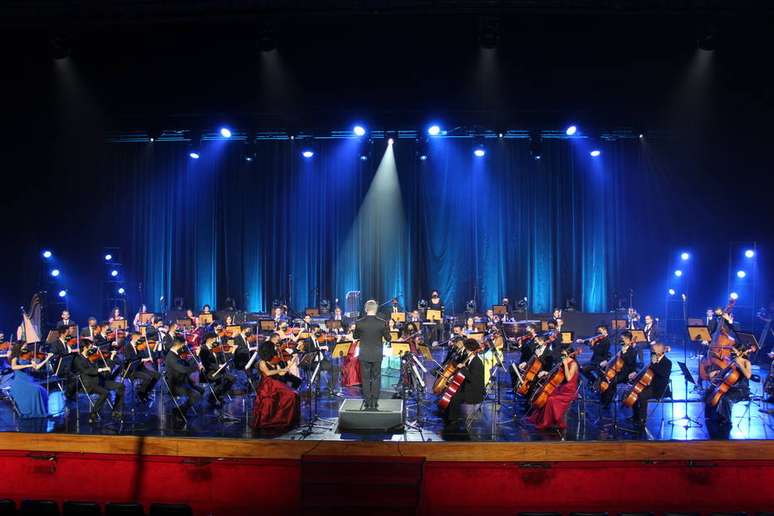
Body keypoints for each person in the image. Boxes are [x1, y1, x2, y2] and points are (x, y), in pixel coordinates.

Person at [250, 340, 300, 432]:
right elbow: (268, 373)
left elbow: (281, 374)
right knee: (286, 396)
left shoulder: (274, 361)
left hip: (276, 384)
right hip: (267, 385)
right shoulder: (262, 362)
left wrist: (290, 364)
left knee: (293, 395)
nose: (275, 350)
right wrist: (280, 370)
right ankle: (277, 420)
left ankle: (287, 419)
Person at [528, 347, 579, 432]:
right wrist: (547, 373)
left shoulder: (573, 364)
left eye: (564, 355)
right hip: (562, 387)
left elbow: (569, 378)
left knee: (551, 399)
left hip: (569, 390)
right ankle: (542, 420)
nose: (562, 357)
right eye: (562, 355)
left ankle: (548, 422)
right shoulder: (564, 361)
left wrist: (565, 365)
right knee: (547, 397)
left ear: (570, 355)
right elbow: (556, 374)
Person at [73, 341, 124, 423]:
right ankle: (93, 413)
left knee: (121, 386)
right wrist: (100, 369)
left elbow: (107, 369)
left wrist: (111, 358)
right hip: (89, 384)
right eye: (91, 347)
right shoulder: (78, 359)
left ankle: (115, 410)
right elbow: (86, 371)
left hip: (100, 381)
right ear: (85, 348)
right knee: (105, 392)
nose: (92, 349)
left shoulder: (93, 356)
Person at [353, 300, 391, 410]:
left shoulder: (359, 322)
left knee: (365, 378)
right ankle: (375, 401)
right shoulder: (382, 323)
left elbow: (355, 337)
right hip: (377, 354)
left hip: (364, 354)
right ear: (376, 309)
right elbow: (388, 338)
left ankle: (367, 401)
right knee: (376, 377)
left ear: (366, 309)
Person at [706, 345, 753, 424]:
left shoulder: (746, 362)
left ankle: (726, 421)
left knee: (725, 398)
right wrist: (717, 374)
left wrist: (739, 364)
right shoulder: (733, 362)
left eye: (733, 351)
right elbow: (724, 373)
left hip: (741, 390)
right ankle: (712, 416)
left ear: (740, 352)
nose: (731, 353)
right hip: (731, 388)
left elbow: (748, 376)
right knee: (711, 391)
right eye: (731, 351)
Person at [630, 342, 672, 428]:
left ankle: (642, 419)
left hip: (659, 388)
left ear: (661, 351)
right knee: (635, 391)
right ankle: (636, 416)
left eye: (655, 350)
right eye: (653, 350)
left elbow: (662, 374)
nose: (653, 351)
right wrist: (636, 374)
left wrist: (652, 365)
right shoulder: (654, 358)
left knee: (642, 395)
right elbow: (648, 370)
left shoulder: (668, 362)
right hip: (652, 385)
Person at [443, 338, 485, 425]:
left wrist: (463, 368)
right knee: (453, 392)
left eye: (466, 348)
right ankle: (448, 415)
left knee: (454, 396)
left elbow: (472, 379)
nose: (465, 350)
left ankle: (453, 419)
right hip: (470, 387)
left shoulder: (477, 362)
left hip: (474, 392)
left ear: (469, 349)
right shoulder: (471, 359)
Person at [165, 336, 204, 423]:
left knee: (201, 390)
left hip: (183, 381)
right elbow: (183, 370)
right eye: (183, 346)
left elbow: (186, 364)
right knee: (196, 395)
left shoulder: (176, 354)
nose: (184, 348)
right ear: (179, 345)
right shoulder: (171, 357)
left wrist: (195, 355)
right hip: (175, 385)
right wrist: (196, 367)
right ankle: (178, 411)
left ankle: (182, 410)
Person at [8, 342, 49, 418]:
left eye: (26, 347)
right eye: (24, 347)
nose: (26, 348)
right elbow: (13, 367)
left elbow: (37, 367)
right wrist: (28, 365)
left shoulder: (27, 356)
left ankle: (42, 411)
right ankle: (33, 411)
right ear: (19, 347)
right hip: (19, 381)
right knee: (36, 390)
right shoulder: (15, 357)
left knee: (43, 391)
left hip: (27, 380)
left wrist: (47, 359)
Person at [600, 331, 639, 408]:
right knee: (603, 378)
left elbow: (629, 362)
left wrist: (622, 353)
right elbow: (616, 360)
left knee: (612, 382)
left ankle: (606, 403)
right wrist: (608, 362)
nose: (621, 340)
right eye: (621, 338)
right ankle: (603, 400)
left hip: (627, 373)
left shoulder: (632, 350)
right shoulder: (621, 349)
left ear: (628, 339)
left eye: (622, 339)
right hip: (618, 371)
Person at [199, 334, 236, 408]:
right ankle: (212, 397)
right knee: (221, 380)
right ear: (209, 340)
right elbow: (207, 364)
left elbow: (220, 357)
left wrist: (224, 364)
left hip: (218, 370)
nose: (216, 341)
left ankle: (218, 395)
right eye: (214, 339)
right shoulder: (203, 349)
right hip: (209, 372)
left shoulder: (215, 346)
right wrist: (218, 366)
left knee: (232, 379)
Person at [124, 334, 160, 403]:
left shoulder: (139, 346)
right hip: (131, 370)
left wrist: (153, 349)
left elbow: (145, 355)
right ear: (134, 337)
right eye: (139, 338)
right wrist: (143, 359)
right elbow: (130, 360)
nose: (140, 340)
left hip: (140, 367)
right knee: (148, 377)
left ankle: (146, 392)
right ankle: (141, 394)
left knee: (157, 375)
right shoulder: (127, 347)